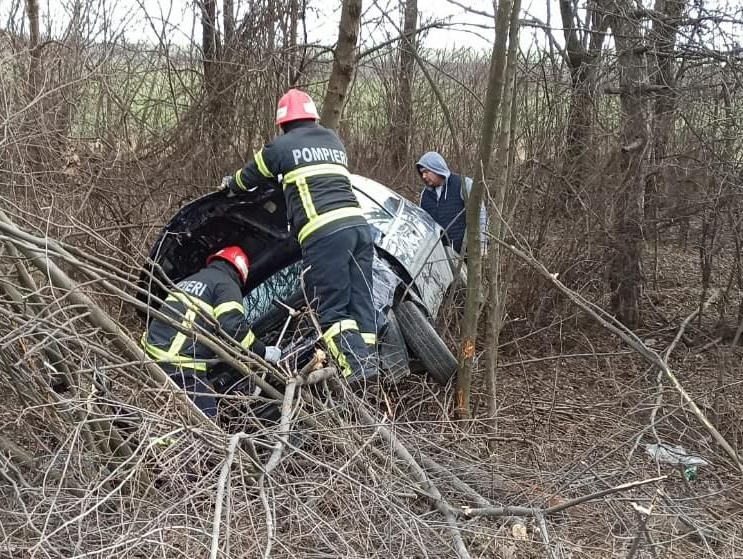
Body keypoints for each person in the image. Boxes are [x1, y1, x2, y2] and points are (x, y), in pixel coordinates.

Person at [220, 89, 378, 383]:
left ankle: (355, 369)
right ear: (313, 116)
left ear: (282, 123)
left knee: (333, 309)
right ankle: (372, 363)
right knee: (362, 301)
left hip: (325, 233)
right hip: (359, 228)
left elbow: (248, 177)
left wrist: (231, 185)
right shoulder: (333, 140)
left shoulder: (281, 146)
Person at [142, 246, 281, 418]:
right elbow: (233, 326)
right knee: (207, 420)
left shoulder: (192, 279)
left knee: (167, 413)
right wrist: (262, 351)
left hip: (149, 353)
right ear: (240, 273)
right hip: (178, 362)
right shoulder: (226, 285)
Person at [415, 151, 488, 257]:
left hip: (465, 256)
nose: (424, 176)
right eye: (422, 173)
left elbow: (480, 214)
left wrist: (482, 245)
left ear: (437, 168)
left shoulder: (463, 185)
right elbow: (423, 225)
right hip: (438, 258)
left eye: (426, 171)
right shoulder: (425, 195)